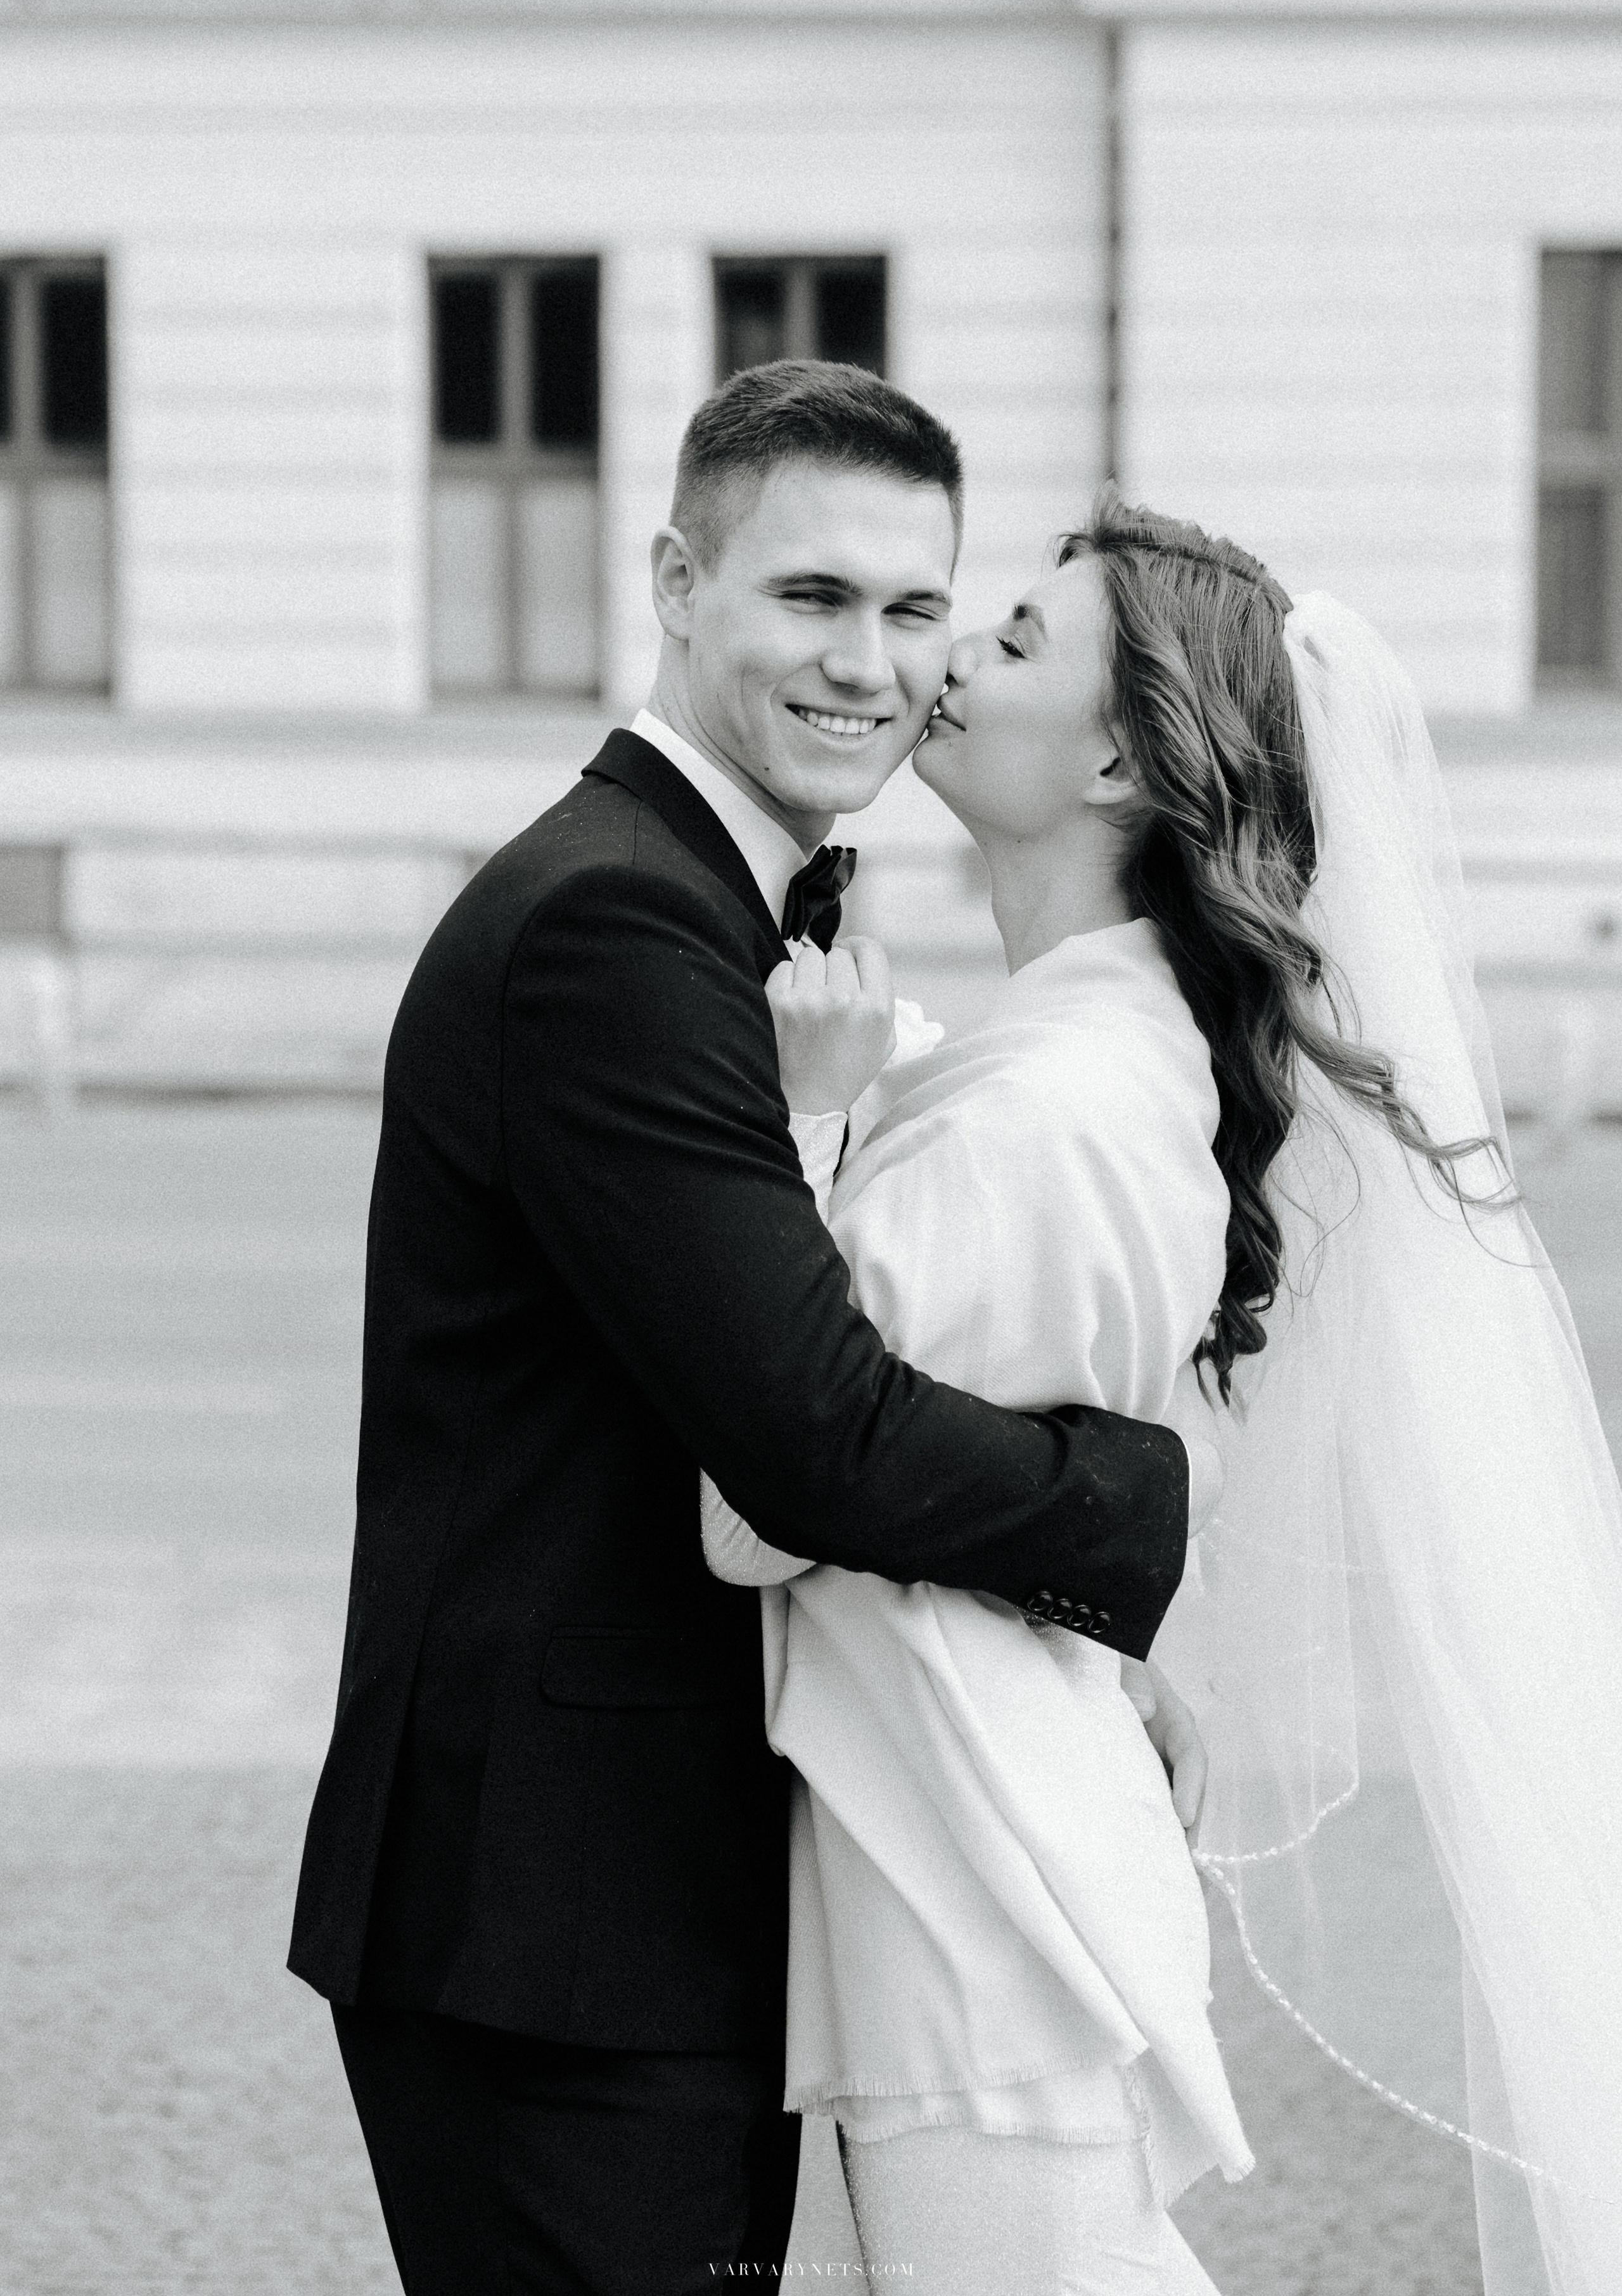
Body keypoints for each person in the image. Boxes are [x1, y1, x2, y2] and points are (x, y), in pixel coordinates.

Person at [286, 366, 1216, 2296]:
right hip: (554, 1920)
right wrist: (1121, 1512)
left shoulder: (714, 911)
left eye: (912, 610)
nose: (871, 663)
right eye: (810, 598)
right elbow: (809, 1436)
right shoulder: (619, 926)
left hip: (640, 1902)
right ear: (679, 584)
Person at [707, 492, 1622, 2295]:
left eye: (1017, 640)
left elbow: (762, 1502)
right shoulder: (1067, 1062)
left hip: (975, 1918)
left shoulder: (1057, 1110)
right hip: (983, 1884)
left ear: (1123, 755)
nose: (949, 654)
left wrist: (801, 1125)